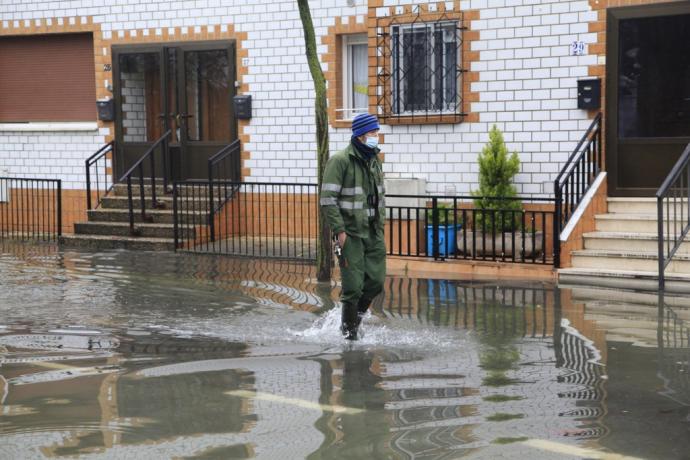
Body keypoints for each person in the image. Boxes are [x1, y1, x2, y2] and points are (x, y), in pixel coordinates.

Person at [320, 113, 386, 340]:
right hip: (350, 233)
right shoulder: (340, 161)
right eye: (372, 133)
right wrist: (340, 231)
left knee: (375, 281)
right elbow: (327, 199)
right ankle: (349, 334)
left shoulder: (374, 159)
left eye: (377, 133)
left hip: (373, 231)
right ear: (359, 136)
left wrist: (381, 226)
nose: (376, 137)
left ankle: (354, 320)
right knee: (353, 287)